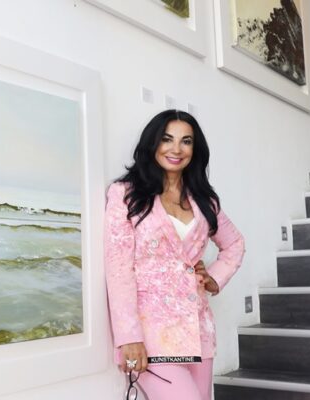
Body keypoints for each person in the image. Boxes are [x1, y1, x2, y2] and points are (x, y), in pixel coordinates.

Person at [104, 110, 245, 400]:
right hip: (152, 334)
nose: (176, 149)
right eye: (167, 139)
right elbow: (118, 269)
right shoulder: (125, 195)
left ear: (195, 149)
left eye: (186, 141)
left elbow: (235, 244)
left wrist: (214, 278)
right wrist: (129, 337)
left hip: (199, 332)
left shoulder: (205, 201)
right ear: (153, 143)